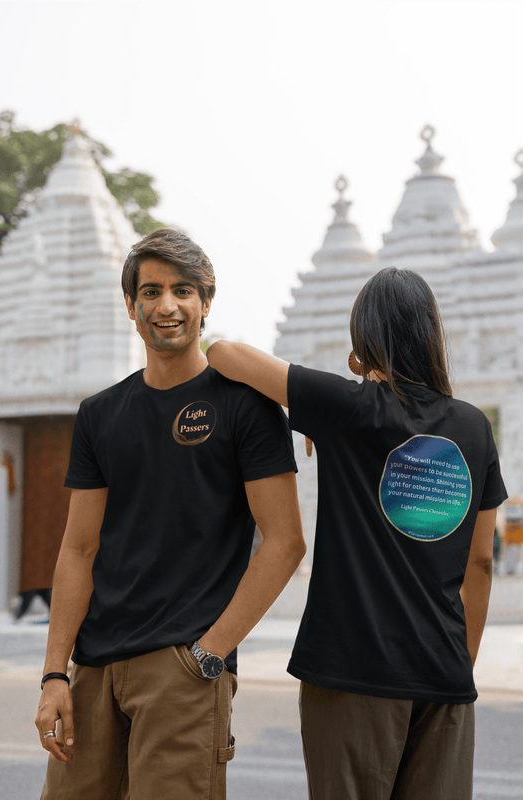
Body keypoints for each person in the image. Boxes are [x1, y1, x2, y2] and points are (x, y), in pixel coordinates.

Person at [206, 267, 507, 800]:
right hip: (444, 674)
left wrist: (345, 387)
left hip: (351, 671)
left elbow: (223, 353)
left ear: (364, 342)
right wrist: (460, 665)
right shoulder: (473, 427)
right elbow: (480, 563)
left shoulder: (350, 408)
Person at [35, 228, 305, 800]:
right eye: (151, 291)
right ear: (131, 307)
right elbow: (78, 550)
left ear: (206, 304)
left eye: (183, 290)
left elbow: (284, 542)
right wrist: (55, 673)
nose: (167, 305)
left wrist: (208, 656)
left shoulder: (245, 407)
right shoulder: (100, 415)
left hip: (181, 669)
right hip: (93, 669)